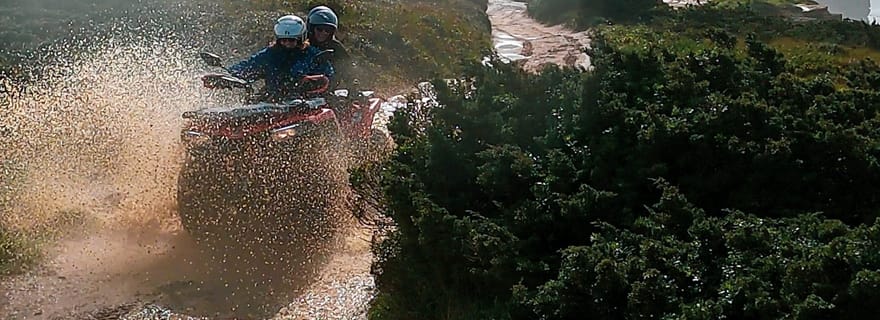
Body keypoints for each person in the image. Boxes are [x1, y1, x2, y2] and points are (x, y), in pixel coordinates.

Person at [227, 14, 334, 101]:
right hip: (274, 102)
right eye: (284, 40)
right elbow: (248, 66)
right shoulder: (270, 54)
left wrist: (310, 82)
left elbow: (327, 76)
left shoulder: (313, 55)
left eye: (291, 40)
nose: (287, 43)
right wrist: (227, 76)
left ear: (300, 39)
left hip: (304, 104)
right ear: (278, 39)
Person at [306, 6, 352, 89]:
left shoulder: (336, 47)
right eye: (319, 29)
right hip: (299, 88)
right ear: (311, 28)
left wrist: (354, 88)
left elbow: (348, 70)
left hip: (327, 90)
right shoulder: (300, 44)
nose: (323, 33)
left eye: (328, 30)